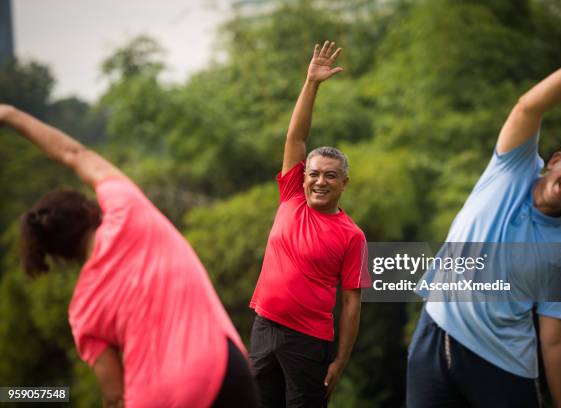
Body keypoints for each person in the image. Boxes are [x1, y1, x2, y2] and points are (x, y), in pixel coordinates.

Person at [0, 104, 258, 408]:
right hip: (213, 372)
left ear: (57, 255)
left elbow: (113, 393)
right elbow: (73, 154)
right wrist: (8, 114)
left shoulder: (81, 309)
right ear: (88, 209)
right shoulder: (128, 211)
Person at [407, 43, 561, 408]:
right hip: (434, 336)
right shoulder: (513, 166)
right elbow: (528, 106)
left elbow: (556, 338)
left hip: (501, 365)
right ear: (554, 161)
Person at [248, 41, 370, 407]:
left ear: (344, 183)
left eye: (331, 176)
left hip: (307, 341)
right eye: (314, 174)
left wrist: (341, 360)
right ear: (302, 177)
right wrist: (311, 83)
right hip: (263, 326)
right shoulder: (291, 196)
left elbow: (351, 303)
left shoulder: (352, 235)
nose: (320, 181)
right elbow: (296, 137)